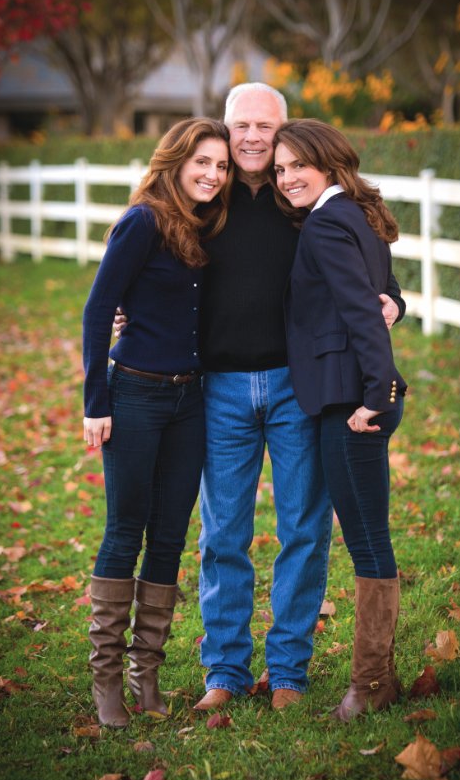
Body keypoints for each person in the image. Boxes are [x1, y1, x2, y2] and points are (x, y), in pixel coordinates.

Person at [115, 83, 405, 713]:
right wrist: (126, 316)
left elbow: (371, 265)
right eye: (240, 125)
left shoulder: (301, 196)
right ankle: (225, 669)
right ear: (224, 126)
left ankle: (289, 673)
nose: (250, 138)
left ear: (285, 131)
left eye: (264, 128)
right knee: (224, 533)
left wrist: (396, 301)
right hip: (216, 386)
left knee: (303, 528)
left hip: (298, 385)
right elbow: (149, 265)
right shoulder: (204, 200)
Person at [82, 117, 232, 727]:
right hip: (136, 395)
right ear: (174, 160)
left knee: (170, 534)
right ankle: (108, 680)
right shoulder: (142, 221)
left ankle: (148, 676)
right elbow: (97, 310)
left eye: (221, 166)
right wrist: (96, 402)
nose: (213, 174)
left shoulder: (207, 225)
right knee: (126, 529)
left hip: (190, 399)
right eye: (203, 162)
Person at [273, 118, 407, 720]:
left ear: (326, 162)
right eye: (279, 170)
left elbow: (360, 311)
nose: (286, 177)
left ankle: (370, 685)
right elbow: (380, 296)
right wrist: (396, 305)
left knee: (367, 540)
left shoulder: (328, 222)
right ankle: (383, 679)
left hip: (350, 402)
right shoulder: (355, 212)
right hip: (353, 395)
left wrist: (375, 396)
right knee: (369, 535)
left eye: (297, 164)